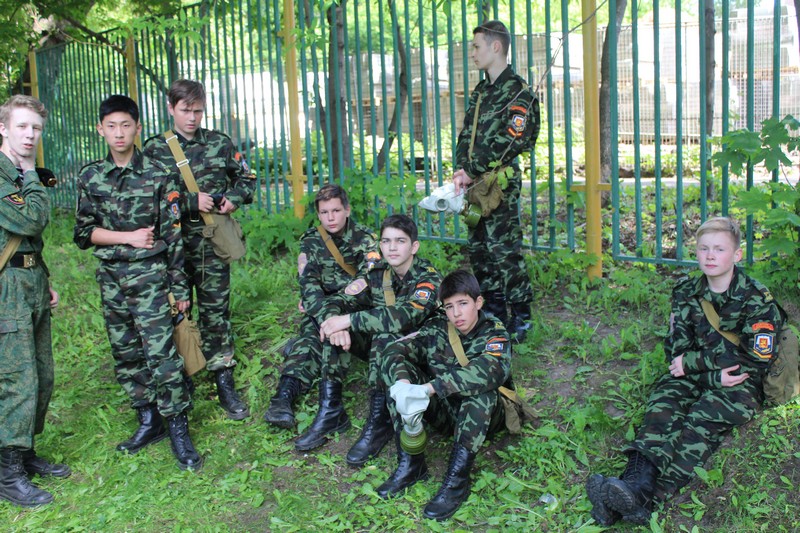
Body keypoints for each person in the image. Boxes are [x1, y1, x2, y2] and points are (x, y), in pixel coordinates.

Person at [586, 217, 784, 526]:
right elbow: (676, 352)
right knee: (662, 407)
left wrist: (696, 365)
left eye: (719, 249)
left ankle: (646, 499)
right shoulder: (686, 291)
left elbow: (757, 358)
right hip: (700, 376)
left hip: (741, 383)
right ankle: (630, 487)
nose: (710, 255)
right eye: (704, 248)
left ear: (737, 255)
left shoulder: (757, 298)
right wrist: (708, 373)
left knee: (699, 420)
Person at [74, 95, 202, 470]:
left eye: (126, 125)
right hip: (112, 279)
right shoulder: (90, 177)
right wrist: (127, 237)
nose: (119, 133)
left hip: (151, 279)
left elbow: (174, 236)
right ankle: (148, 420)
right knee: (126, 352)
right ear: (100, 129)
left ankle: (178, 427)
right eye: (111, 126)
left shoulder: (159, 175)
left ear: (137, 128)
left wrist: (179, 289)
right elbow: (82, 234)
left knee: (162, 354)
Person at [144, 79, 255, 420]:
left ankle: (223, 377)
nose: (192, 117)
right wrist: (190, 201)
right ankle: (181, 377)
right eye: (185, 110)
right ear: (170, 108)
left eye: (198, 111)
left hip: (211, 242)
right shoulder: (155, 149)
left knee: (215, 311)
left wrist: (232, 199)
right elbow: (147, 199)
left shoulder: (219, 143)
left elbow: (247, 179)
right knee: (175, 311)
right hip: (172, 246)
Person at [295, 214, 442, 465]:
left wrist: (348, 320)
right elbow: (341, 299)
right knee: (335, 329)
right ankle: (331, 410)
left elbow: (404, 316)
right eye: (386, 241)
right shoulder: (377, 273)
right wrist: (334, 321)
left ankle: (380, 419)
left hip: (424, 355)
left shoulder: (427, 277)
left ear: (414, 246)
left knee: (383, 333)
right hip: (390, 351)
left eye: (400, 241)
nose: (392, 247)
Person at [377, 269, 513, 521]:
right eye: (449, 307)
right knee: (398, 377)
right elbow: (396, 350)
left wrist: (428, 389)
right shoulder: (438, 328)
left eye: (463, 304)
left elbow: (489, 371)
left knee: (480, 393)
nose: (456, 313)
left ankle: (456, 481)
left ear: (478, 302)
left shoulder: (494, 332)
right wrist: (405, 387)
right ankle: (411, 463)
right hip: (447, 413)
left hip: (484, 418)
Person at [451, 20, 540, 343]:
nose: (473, 53)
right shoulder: (482, 90)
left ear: (496, 46)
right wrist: (461, 169)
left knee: (504, 250)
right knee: (479, 248)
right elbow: (467, 133)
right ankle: (493, 311)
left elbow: (512, 141)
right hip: (474, 186)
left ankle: (522, 316)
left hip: (499, 185)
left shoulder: (518, 92)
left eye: (477, 46)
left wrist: (472, 169)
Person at [0, 95, 69, 507]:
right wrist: (29, 173)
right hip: (6, 289)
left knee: (42, 373)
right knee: (18, 379)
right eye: (22, 127)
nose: (30, 135)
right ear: (3, 128)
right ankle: (7, 472)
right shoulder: (9, 174)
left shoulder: (20, 174)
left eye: (36, 128)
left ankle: (24, 453)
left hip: (30, 281)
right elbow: (32, 219)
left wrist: (43, 277)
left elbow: (29, 240)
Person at [264, 184, 378, 428]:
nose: (330, 218)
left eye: (336, 211)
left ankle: (328, 407)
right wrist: (328, 319)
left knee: (318, 335)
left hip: (355, 307)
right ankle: (282, 399)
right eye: (324, 212)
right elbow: (308, 283)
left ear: (347, 210)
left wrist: (334, 317)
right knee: (311, 337)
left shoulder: (365, 239)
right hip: (323, 307)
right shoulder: (311, 240)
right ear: (318, 214)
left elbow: (365, 282)